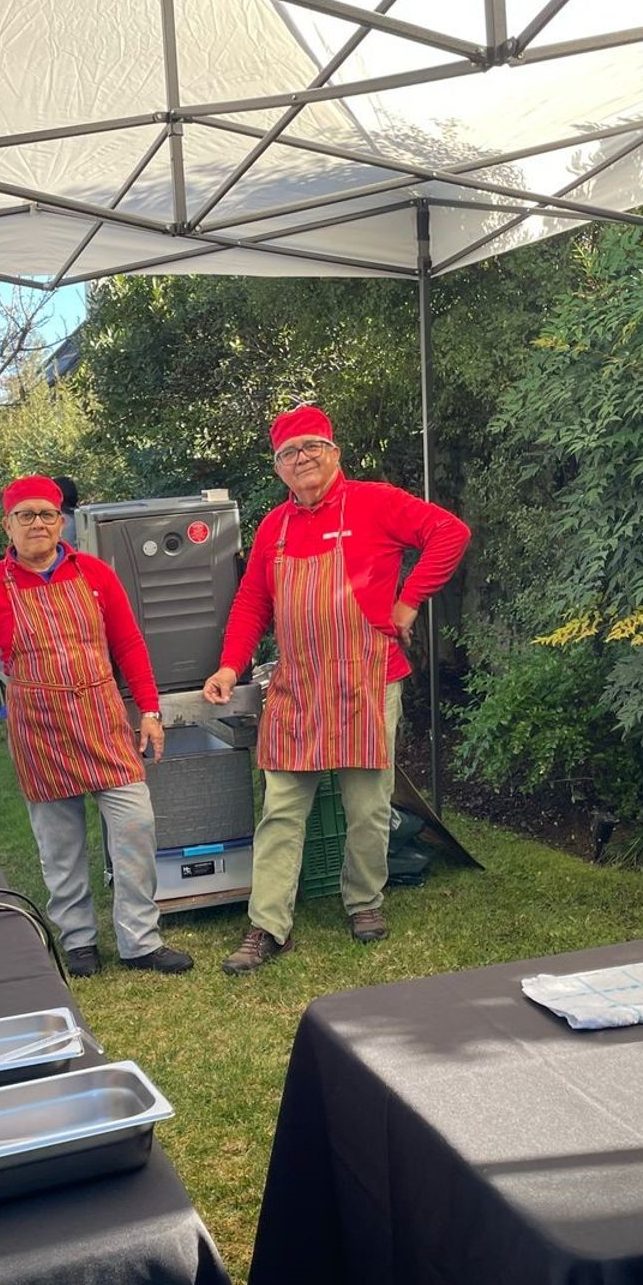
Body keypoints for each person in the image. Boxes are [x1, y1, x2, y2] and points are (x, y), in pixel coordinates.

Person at [203, 404, 470, 974]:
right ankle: (268, 926)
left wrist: (408, 602)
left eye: (312, 447)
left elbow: (451, 532)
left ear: (334, 453)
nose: (302, 459)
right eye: (289, 453)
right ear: (278, 467)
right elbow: (252, 603)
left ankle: (364, 901)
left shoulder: (376, 502)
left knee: (368, 807)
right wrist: (229, 667)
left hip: (366, 681)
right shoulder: (273, 528)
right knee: (281, 810)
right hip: (297, 685)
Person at [0, 476, 192, 977]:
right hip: (40, 728)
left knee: (135, 826)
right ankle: (78, 940)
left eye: (47, 514)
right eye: (26, 515)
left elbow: (129, 645)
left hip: (102, 720)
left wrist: (149, 710)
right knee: (59, 844)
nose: (38, 524)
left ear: (61, 521)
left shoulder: (95, 574)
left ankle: (139, 940)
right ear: (7, 525)